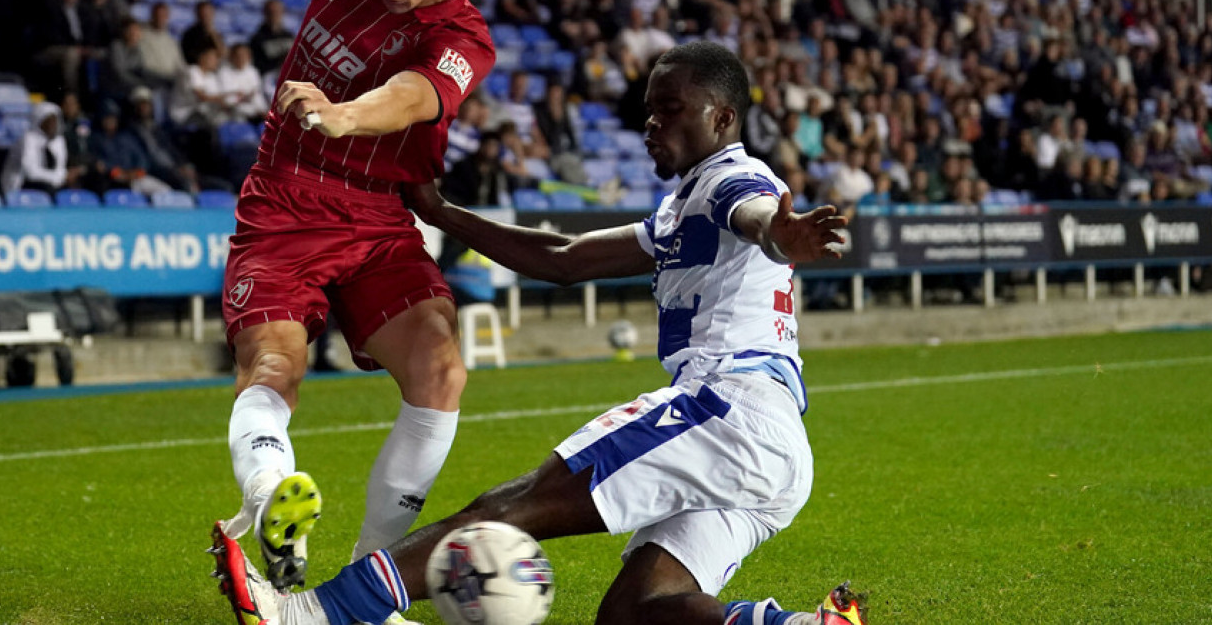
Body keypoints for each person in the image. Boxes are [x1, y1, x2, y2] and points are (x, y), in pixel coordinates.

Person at [211, 42, 863, 625]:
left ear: (722, 119)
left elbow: (755, 213)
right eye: (648, 110)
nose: (652, 124)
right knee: (636, 612)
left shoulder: (730, 181)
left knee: (510, 508)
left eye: (670, 109)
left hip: (724, 411)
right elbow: (564, 258)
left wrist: (780, 233)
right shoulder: (682, 208)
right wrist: (440, 212)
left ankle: (308, 614)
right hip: (774, 449)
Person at [210, 0, 496, 613]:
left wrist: (343, 114)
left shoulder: (463, 38)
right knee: (274, 363)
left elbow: (413, 95)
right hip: (286, 196)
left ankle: (369, 582)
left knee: (440, 368)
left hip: (376, 215)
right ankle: (272, 500)